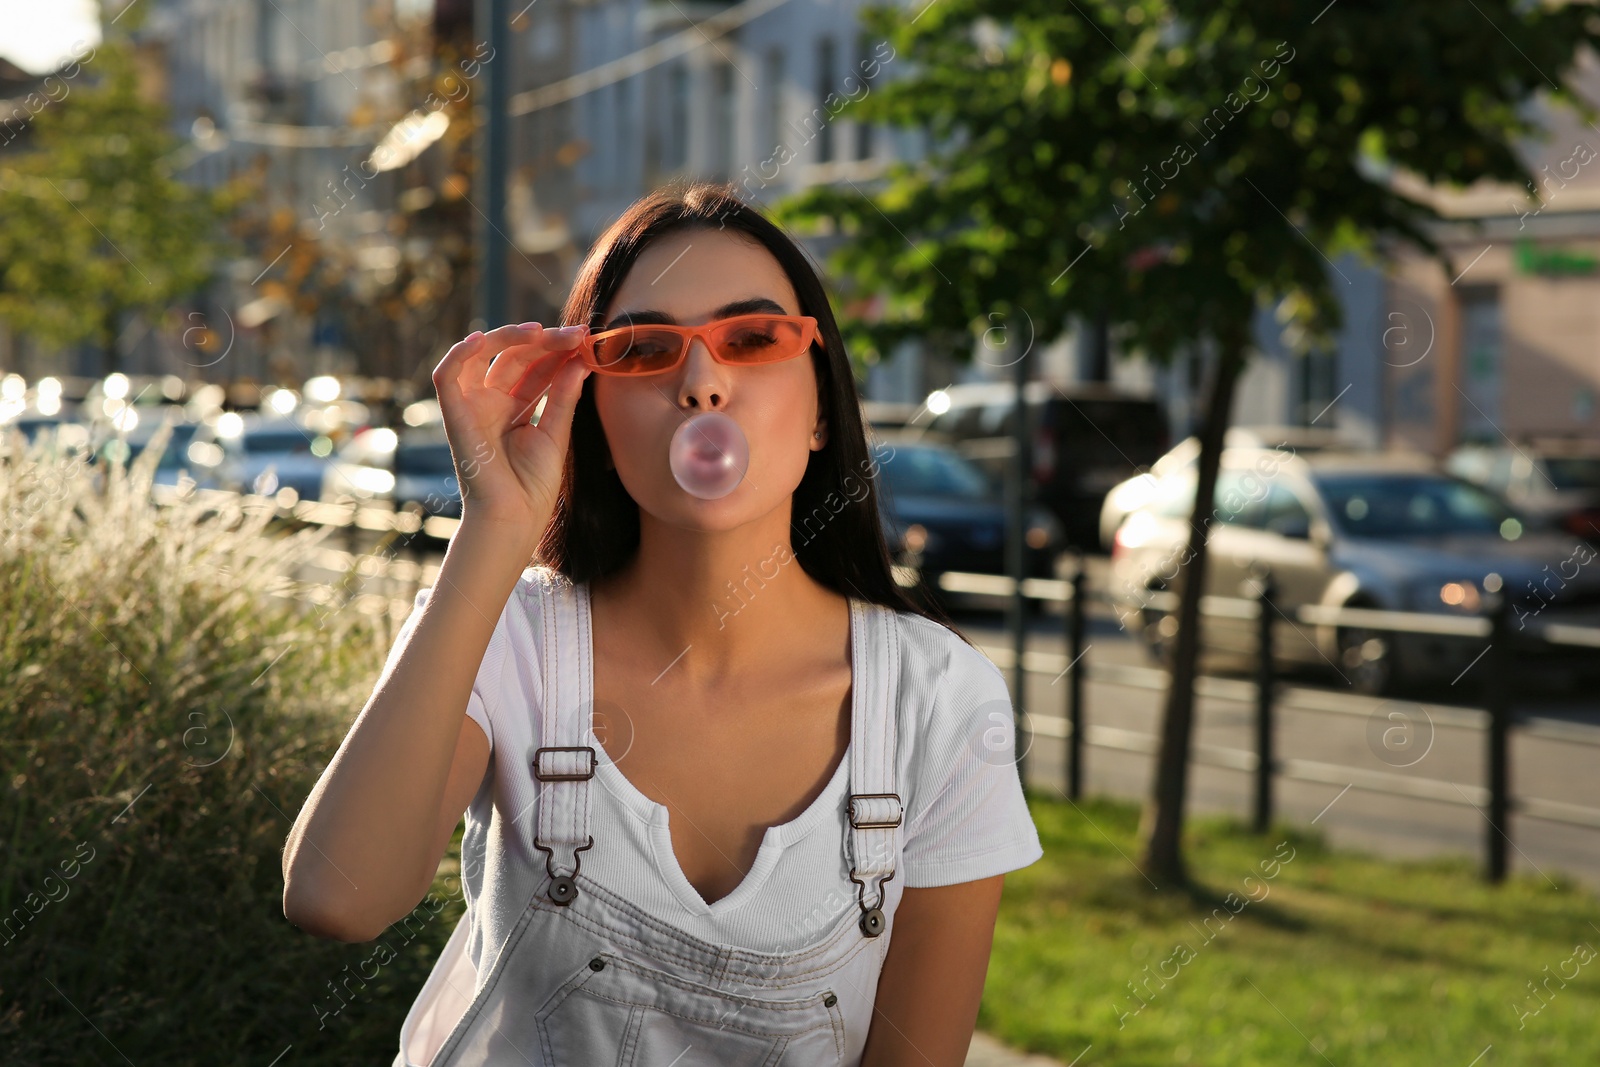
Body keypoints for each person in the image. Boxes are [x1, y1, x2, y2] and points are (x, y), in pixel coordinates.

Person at [281, 181, 1043, 1066]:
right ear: (594, 414)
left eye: (753, 339)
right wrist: (494, 526)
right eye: (644, 350)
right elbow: (338, 897)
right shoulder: (509, 638)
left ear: (823, 408)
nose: (702, 384)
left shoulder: (940, 700)